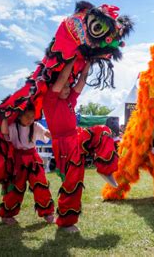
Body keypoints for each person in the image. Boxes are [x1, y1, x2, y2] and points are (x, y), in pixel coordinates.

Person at [43, 59, 119, 232]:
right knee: (73, 181)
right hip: (63, 145)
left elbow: (82, 80)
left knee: (103, 131)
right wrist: (70, 58)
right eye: (64, 86)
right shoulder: (50, 100)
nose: (67, 89)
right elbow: (62, 78)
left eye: (69, 87)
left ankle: (105, 169)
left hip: (77, 135)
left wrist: (88, 61)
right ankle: (66, 222)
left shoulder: (69, 99)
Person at [0, 105, 54, 225]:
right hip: (17, 160)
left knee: (41, 184)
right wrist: (3, 117)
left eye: (33, 116)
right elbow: (4, 132)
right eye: (27, 116)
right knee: (15, 187)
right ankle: (7, 214)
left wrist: (56, 133)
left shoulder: (35, 126)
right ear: (19, 115)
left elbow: (46, 133)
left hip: (33, 158)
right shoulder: (13, 127)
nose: (30, 119)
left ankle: (47, 212)